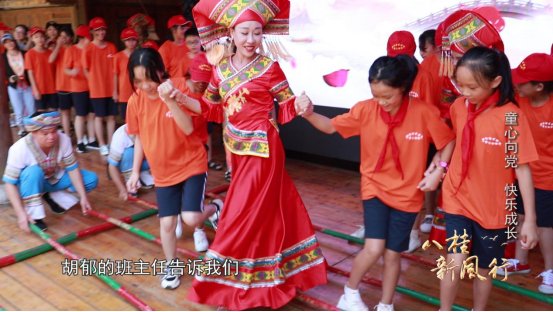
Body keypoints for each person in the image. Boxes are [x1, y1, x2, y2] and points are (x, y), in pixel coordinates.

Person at [167, 1, 328, 309]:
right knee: (258, 215)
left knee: (241, 214)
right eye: (245, 32)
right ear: (231, 32)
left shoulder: (270, 67)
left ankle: (220, 277)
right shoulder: (221, 69)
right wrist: (182, 98)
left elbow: (285, 106)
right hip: (237, 152)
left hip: (265, 152)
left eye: (257, 33)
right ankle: (258, 275)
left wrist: (302, 105)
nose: (251, 39)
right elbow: (212, 109)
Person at [299, 55, 455, 311]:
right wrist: (308, 113)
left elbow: (447, 142)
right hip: (375, 189)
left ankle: (386, 304)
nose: (381, 102)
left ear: (403, 89)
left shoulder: (424, 112)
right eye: (376, 95)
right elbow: (329, 126)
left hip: (408, 195)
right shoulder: (366, 109)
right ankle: (349, 293)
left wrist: (439, 170)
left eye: (388, 96)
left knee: (393, 254)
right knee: (374, 248)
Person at [438, 46, 539, 310]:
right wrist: (439, 166)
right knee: (455, 261)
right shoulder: (459, 106)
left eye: (473, 87)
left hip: (494, 208)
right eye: (461, 85)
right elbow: (454, 139)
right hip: (458, 197)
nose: (465, 93)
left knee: (484, 270)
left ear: (495, 82)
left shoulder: (511, 117)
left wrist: (529, 220)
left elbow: (522, 169)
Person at [125, 48, 222, 287]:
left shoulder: (179, 87)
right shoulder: (135, 101)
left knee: (189, 217)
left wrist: (170, 99)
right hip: (163, 173)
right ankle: (172, 266)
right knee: (167, 223)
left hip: (191, 164)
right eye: (138, 81)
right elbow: (139, 138)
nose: (145, 86)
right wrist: (136, 171)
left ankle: (216, 207)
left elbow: (188, 128)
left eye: (149, 79)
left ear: (160, 71)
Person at [496, 53, 553, 294]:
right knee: (519, 216)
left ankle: (550, 270)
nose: (517, 84)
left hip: (548, 179)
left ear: (540, 86)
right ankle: (521, 261)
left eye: (523, 81)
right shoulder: (519, 101)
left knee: (545, 226)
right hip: (521, 173)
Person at [386, 30, 438, 252]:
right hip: (394, 140)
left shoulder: (423, 75)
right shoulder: (386, 74)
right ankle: (396, 229)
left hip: (418, 142)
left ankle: (413, 232)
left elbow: (429, 111)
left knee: (416, 185)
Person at [2, 112, 98, 232]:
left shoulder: (64, 139)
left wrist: (83, 197)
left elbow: (72, 169)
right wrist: (21, 214)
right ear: (33, 133)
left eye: (54, 131)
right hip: (29, 184)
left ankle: (55, 198)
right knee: (33, 172)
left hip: (54, 178)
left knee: (91, 179)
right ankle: (35, 217)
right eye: (45, 133)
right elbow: (9, 184)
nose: (51, 136)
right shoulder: (19, 149)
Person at [82, 17, 118, 156]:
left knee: (111, 118)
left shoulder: (112, 47)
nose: (101, 32)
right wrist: (93, 82)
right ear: (92, 31)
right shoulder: (88, 49)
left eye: (103, 29)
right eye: (98, 29)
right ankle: (102, 144)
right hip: (97, 90)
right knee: (99, 117)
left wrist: (115, 89)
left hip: (111, 89)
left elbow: (115, 70)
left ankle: (110, 143)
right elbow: (85, 70)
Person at [63, 25, 97, 153]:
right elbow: (65, 69)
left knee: (92, 114)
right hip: (78, 87)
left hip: (93, 86)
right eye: (90, 36)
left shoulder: (91, 49)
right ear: (83, 37)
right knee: (81, 115)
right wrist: (72, 72)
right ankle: (80, 141)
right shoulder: (71, 50)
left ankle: (92, 139)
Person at [107, 124, 154, 201]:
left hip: (144, 160)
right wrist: (121, 189)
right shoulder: (120, 137)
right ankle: (130, 179)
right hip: (124, 162)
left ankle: (142, 174)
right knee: (129, 153)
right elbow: (111, 167)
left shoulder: (149, 131)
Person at [2, 33, 35, 137]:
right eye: (6, 42)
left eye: (10, 41)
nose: (9, 44)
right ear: (4, 45)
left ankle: (32, 127)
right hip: (13, 87)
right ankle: (21, 128)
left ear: (14, 41)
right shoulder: (2, 57)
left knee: (31, 106)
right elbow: (2, 73)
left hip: (27, 84)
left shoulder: (25, 53)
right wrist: (9, 79)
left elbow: (31, 68)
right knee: (18, 108)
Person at [24, 26, 57, 113]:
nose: (40, 39)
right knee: (42, 117)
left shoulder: (50, 53)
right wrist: (35, 89)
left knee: (53, 115)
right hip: (40, 89)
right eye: (36, 37)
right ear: (32, 39)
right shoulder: (29, 54)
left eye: (42, 36)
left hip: (52, 88)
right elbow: (30, 73)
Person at [51, 25, 75, 136]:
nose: (63, 38)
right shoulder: (58, 49)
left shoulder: (75, 48)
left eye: (65, 36)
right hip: (62, 85)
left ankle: (80, 135)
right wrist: (58, 46)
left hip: (76, 85)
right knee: (65, 112)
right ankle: (67, 136)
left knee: (78, 113)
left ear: (71, 37)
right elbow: (50, 60)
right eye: (61, 36)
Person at [113, 28, 139, 121]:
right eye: (128, 40)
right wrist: (115, 92)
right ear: (123, 41)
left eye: (133, 40)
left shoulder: (139, 54)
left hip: (138, 90)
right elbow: (115, 74)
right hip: (124, 92)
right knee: (126, 118)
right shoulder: (118, 56)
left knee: (139, 116)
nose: (131, 42)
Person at [158, 15, 192, 79]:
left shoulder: (191, 44)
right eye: (182, 27)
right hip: (175, 87)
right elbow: (161, 74)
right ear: (173, 30)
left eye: (186, 27)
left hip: (193, 86)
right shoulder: (165, 48)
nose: (186, 30)